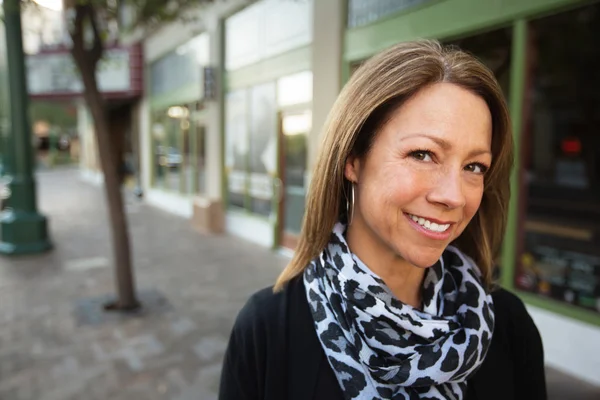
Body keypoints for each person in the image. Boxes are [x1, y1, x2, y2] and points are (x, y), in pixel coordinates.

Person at [219, 40, 547, 400]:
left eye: (474, 166)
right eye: (423, 154)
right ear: (353, 159)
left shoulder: (507, 324)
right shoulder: (268, 330)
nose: (454, 196)